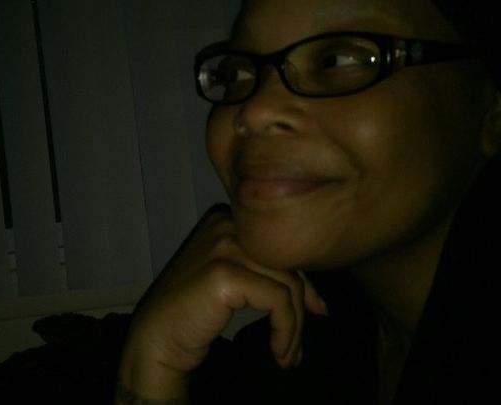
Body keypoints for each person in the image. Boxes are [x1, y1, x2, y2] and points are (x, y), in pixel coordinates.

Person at [115, 0, 501, 404]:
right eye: (238, 72)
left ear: (491, 108)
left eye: (338, 60)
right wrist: (153, 363)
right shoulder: (299, 353)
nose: (255, 110)